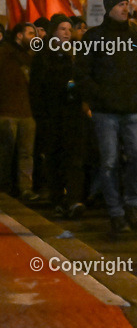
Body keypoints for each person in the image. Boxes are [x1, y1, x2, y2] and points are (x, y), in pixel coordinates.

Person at [75, 0, 137, 234]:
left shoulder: (135, 37)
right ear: (109, 8)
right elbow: (82, 74)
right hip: (105, 113)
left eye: (126, 3)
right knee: (109, 162)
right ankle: (116, 213)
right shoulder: (93, 38)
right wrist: (100, 96)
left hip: (132, 111)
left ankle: (132, 206)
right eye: (120, 4)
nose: (125, 8)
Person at [30, 15, 88, 216]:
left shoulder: (76, 54)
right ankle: (57, 198)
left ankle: (73, 199)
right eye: (62, 29)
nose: (67, 32)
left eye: (68, 29)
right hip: (52, 116)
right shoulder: (44, 55)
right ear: (54, 31)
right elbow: (37, 88)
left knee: (74, 158)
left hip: (73, 114)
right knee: (54, 158)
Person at [0, 23, 39, 201]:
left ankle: (26, 188)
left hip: (27, 113)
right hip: (6, 112)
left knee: (26, 154)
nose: (34, 37)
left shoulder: (30, 57)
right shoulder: (4, 53)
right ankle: (4, 188)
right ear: (19, 35)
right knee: (5, 153)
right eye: (31, 33)